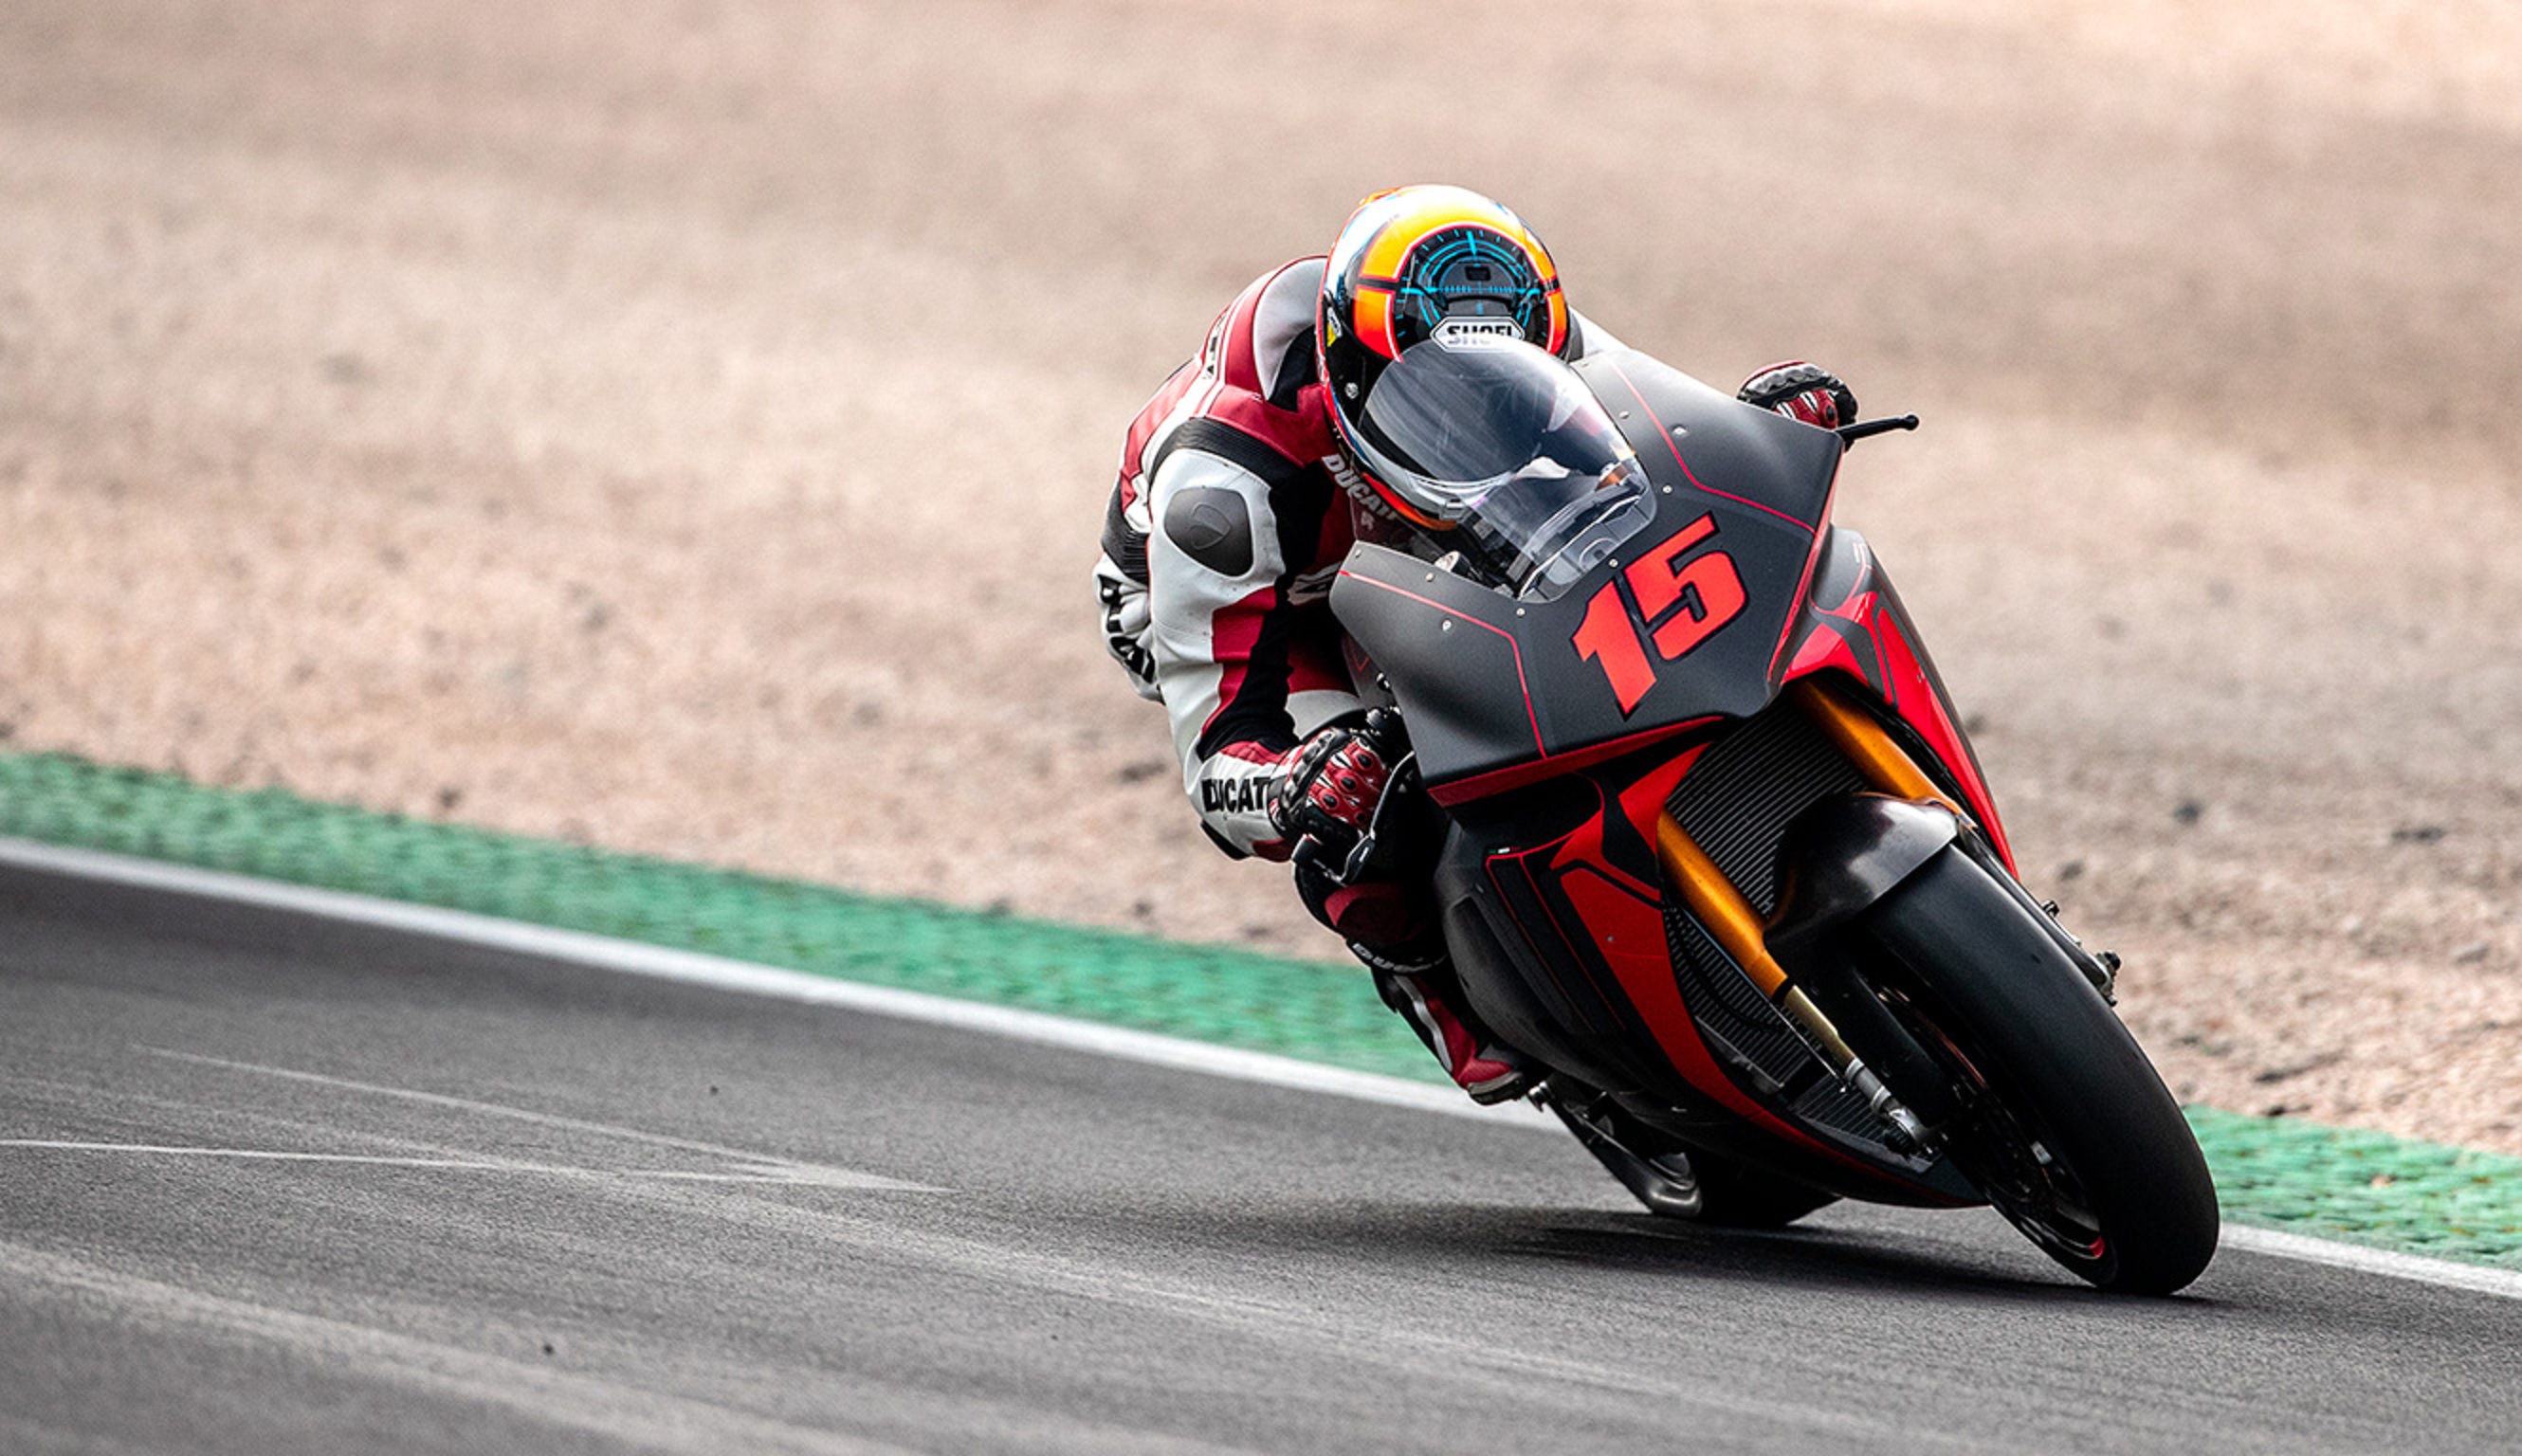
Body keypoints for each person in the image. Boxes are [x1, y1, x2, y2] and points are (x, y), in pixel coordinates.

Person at [1092, 184, 1859, 1102]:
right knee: (1369, 791)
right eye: (1425, 399)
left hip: (1413, 521)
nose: (1462, 415)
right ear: (1350, 381)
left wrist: (1765, 429)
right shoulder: (1221, 490)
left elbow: (1661, 432)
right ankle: (1421, 975)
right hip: (1259, 600)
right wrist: (1294, 781)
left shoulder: (1521, 320)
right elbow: (1219, 765)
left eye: (1492, 387)